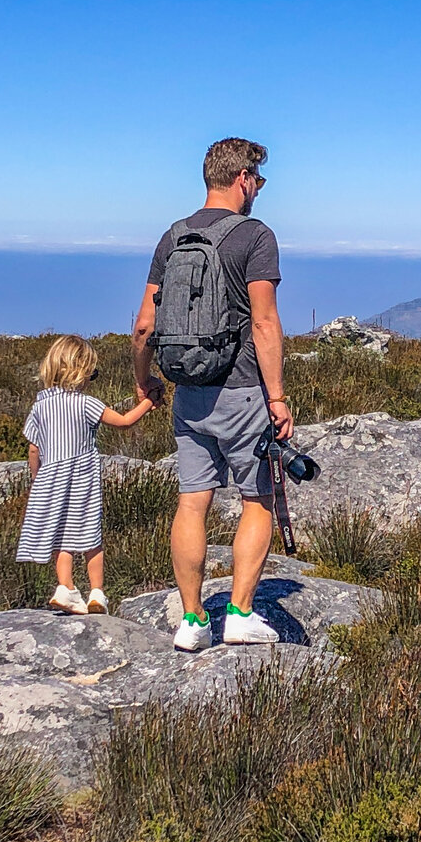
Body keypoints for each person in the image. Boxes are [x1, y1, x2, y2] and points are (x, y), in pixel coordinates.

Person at [133, 136, 294, 651]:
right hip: (243, 388)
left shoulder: (173, 237)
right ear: (244, 178)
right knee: (257, 498)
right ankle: (240, 614)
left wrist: (145, 379)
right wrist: (278, 399)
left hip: (189, 390)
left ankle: (192, 620)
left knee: (192, 502)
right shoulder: (255, 236)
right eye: (260, 180)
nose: (259, 190)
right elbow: (265, 323)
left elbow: (143, 325)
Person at [16, 335, 155, 614]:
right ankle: (96, 593)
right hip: (82, 476)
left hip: (49, 477)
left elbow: (34, 448)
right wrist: (150, 402)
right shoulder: (86, 404)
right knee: (90, 535)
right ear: (81, 371)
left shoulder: (39, 407)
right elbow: (125, 422)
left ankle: (65, 587)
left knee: (61, 535)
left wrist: (36, 480)